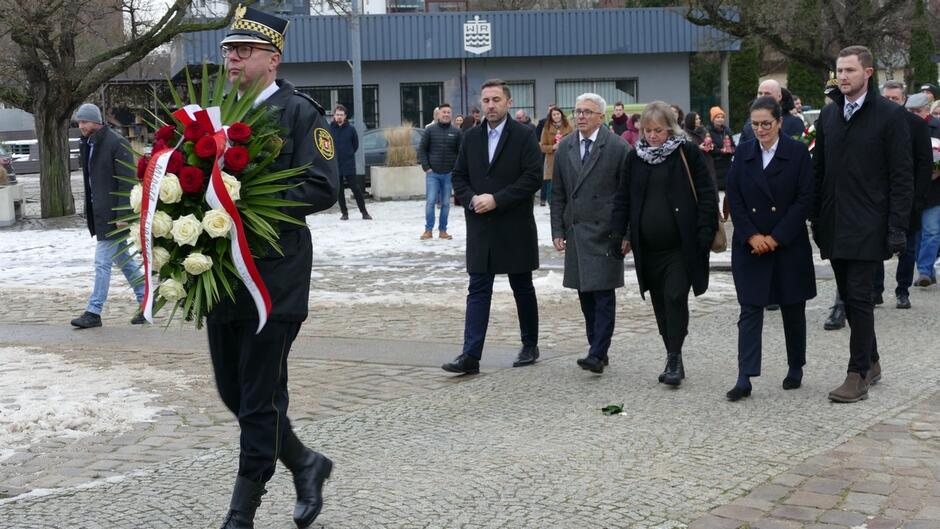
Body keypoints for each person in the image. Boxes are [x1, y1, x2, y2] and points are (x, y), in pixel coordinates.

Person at [211, 7, 339, 527]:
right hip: (222, 276)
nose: (233, 59)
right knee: (234, 392)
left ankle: (241, 511)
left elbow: (323, 185)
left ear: (272, 58)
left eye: (244, 51)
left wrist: (252, 202)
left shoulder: (299, 112)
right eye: (228, 51)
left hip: (275, 278)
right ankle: (307, 463)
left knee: (259, 397)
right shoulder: (216, 116)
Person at [812, 45, 913, 404]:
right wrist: (815, 216)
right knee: (851, 300)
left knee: (859, 297)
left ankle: (857, 374)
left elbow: (902, 177)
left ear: (867, 73)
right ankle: (872, 359)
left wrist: (897, 226)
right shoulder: (829, 117)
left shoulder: (888, 116)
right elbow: (819, 170)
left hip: (870, 222)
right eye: (839, 71)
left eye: (849, 71)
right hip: (835, 222)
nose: (842, 77)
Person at [610, 101, 718, 387]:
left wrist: (704, 233)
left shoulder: (687, 152)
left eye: (658, 130)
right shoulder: (635, 158)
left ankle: (674, 356)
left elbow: (707, 193)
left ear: (670, 128)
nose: (652, 136)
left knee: (674, 296)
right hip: (648, 248)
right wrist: (618, 233)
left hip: (681, 246)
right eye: (647, 130)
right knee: (660, 302)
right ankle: (671, 351)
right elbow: (622, 198)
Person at [443, 79, 543, 375]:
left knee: (522, 287)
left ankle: (529, 344)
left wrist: (497, 199)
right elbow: (458, 176)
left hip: (514, 225)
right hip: (481, 226)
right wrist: (472, 199)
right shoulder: (471, 137)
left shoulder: (524, 136)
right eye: (486, 100)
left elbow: (533, 177)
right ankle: (470, 355)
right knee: (478, 289)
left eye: (496, 99)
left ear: (508, 103)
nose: (490, 105)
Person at [723, 96, 816, 401]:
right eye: (755, 124)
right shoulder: (744, 152)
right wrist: (751, 236)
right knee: (750, 309)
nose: (760, 129)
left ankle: (795, 366)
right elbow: (734, 197)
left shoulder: (797, 152)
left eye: (766, 123)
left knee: (792, 307)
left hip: (786, 244)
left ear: (779, 122)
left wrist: (776, 238)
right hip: (751, 245)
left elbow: (804, 199)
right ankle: (744, 375)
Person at [550, 93, 629, 374]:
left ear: (601, 117)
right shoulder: (566, 147)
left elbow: (627, 195)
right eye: (577, 111)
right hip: (577, 230)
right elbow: (557, 192)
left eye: (587, 112)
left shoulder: (618, 147)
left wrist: (626, 233)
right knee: (585, 294)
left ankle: (596, 353)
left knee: (603, 295)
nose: (580, 116)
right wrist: (557, 229)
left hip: (606, 232)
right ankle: (598, 347)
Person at [69, 103, 146, 329]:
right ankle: (146, 301)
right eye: (79, 122)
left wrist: (123, 214)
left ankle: (94, 311)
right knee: (125, 262)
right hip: (101, 214)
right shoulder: (88, 144)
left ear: (96, 122)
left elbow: (128, 182)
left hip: (114, 216)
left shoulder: (115, 142)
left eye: (84, 122)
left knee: (102, 262)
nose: (81, 126)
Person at [874, 86, 933, 308]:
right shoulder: (874, 123)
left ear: (904, 100)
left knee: (907, 248)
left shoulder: (916, 125)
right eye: (886, 98)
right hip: (878, 197)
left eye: (894, 98)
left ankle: (902, 290)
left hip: (908, 198)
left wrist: (918, 197)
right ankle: (876, 289)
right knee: (875, 245)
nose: (890, 101)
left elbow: (924, 162)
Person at [418, 102, 461, 240]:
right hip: (433, 174)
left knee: (446, 203)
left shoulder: (456, 132)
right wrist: (426, 167)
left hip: (449, 174)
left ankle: (443, 231)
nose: (446, 114)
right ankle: (428, 230)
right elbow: (422, 149)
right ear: (439, 114)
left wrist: (456, 169)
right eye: (444, 112)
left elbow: (461, 153)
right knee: (430, 202)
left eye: (448, 112)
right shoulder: (430, 130)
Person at [330, 104, 370, 220]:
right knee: (339, 191)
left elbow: (355, 145)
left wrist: (348, 154)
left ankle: (364, 212)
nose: (339, 117)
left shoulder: (351, 129)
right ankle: (344, 213)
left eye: (341, 115)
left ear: (345, 116)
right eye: (337, 114)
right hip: (335, 164)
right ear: (334, 115)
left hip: (349, 164)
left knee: (356, 188)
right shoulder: (329, 129)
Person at [739, 80, 805, 143]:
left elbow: (796, 149)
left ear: (779, 96)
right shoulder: (749, 122)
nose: (762, 97)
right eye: (760, 93)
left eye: (767, 94)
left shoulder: (794, 122)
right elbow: (742, 150)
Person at [538, 106, 573, 207]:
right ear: (551, 116)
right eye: (554, 115)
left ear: (561, 114)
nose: (556, 116)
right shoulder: (546, 128)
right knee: (551, 186)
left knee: (566, 184)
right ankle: (552, 205)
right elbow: (542, 146)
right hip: (551, 161)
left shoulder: (569, 127)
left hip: (567, 159)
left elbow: (574, 142)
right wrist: (553, 147)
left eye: (558, 114)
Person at [707, 106, 735, 191]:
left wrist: (732, 150)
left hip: (727, 164)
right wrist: (721, 151)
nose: (720, 119)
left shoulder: (727, 130)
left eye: (722, 117)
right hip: (715, 165)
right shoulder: (708, 131)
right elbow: (709, 148)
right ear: (713, 119)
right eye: (718, 117)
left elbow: (733, 145)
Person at [683, 111, 716, 181]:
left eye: (699, 118)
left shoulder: (704, 131)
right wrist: (698, 148)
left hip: (707, 162)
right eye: (696, 119)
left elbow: (711, 141)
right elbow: (685, 149)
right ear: (691, 121)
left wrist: (712, 145)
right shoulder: (685, 134)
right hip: (695, 165)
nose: (699, 120)